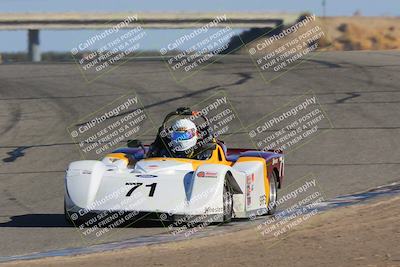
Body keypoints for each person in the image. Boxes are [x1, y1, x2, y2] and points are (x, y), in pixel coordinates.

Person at [147, 118, 215, 160]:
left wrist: (209, 136)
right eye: (177, 135)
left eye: (186, 135)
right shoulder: (166, 150)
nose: (181, 139)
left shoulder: (204, 150)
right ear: (171, 135)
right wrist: (158, 140)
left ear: (196, 134)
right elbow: (150, 158)